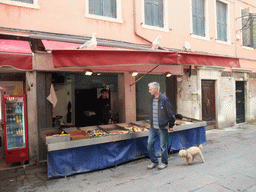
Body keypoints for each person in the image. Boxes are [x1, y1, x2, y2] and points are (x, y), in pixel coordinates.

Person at [147, 82, 175, 170]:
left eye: (150, 89)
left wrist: (171, 124)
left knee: (163, 146)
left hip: (162, 127)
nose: (149, 91)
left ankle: (164, 162)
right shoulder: (151, 98)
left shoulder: (164, 99)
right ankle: (154, 161)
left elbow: (170, 113)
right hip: (153, 127)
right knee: (149, 144)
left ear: (156, 89)